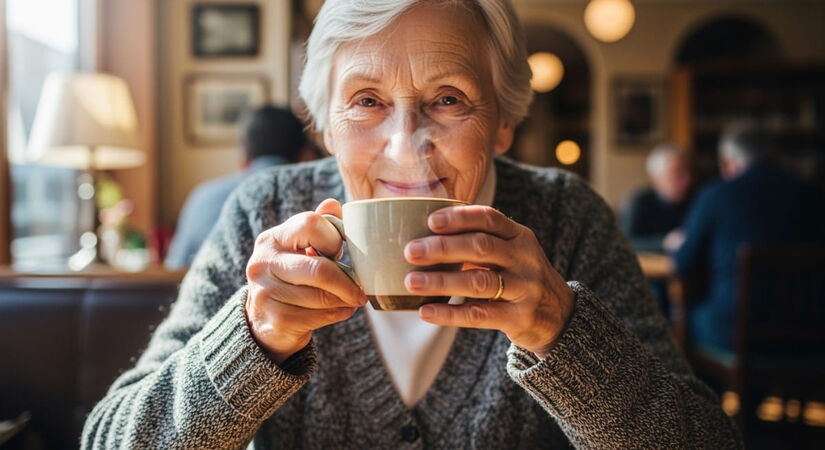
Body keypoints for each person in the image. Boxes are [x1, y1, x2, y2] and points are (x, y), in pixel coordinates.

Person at [83, 1, 740, 448]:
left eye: (447, 99)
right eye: (366, 101)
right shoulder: (264, 210)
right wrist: (252, 339)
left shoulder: (564, 217)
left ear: (504, 120)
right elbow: (108, 438)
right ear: (325, 122)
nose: (406, 146)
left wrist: (560, 331)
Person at [671, 121, 825, 352]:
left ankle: (711, 389)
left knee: (687, 317)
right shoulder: (812, 194)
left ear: (728, 162)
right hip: (807, 332)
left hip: (734, 333)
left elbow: (683, 265)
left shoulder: (715, 195)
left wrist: (677, 244)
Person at [165, 105, 311, 269]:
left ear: (243, 157)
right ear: (304, 156)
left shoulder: (203, 197)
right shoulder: (313, 202)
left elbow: (176, 266)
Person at [621, 143, 692, 254]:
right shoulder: (639, 202)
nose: (686, 180)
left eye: (686, 172)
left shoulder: (695, 201)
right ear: (656, 179)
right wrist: (663, 242)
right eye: (676, 174)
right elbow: (624, 243)